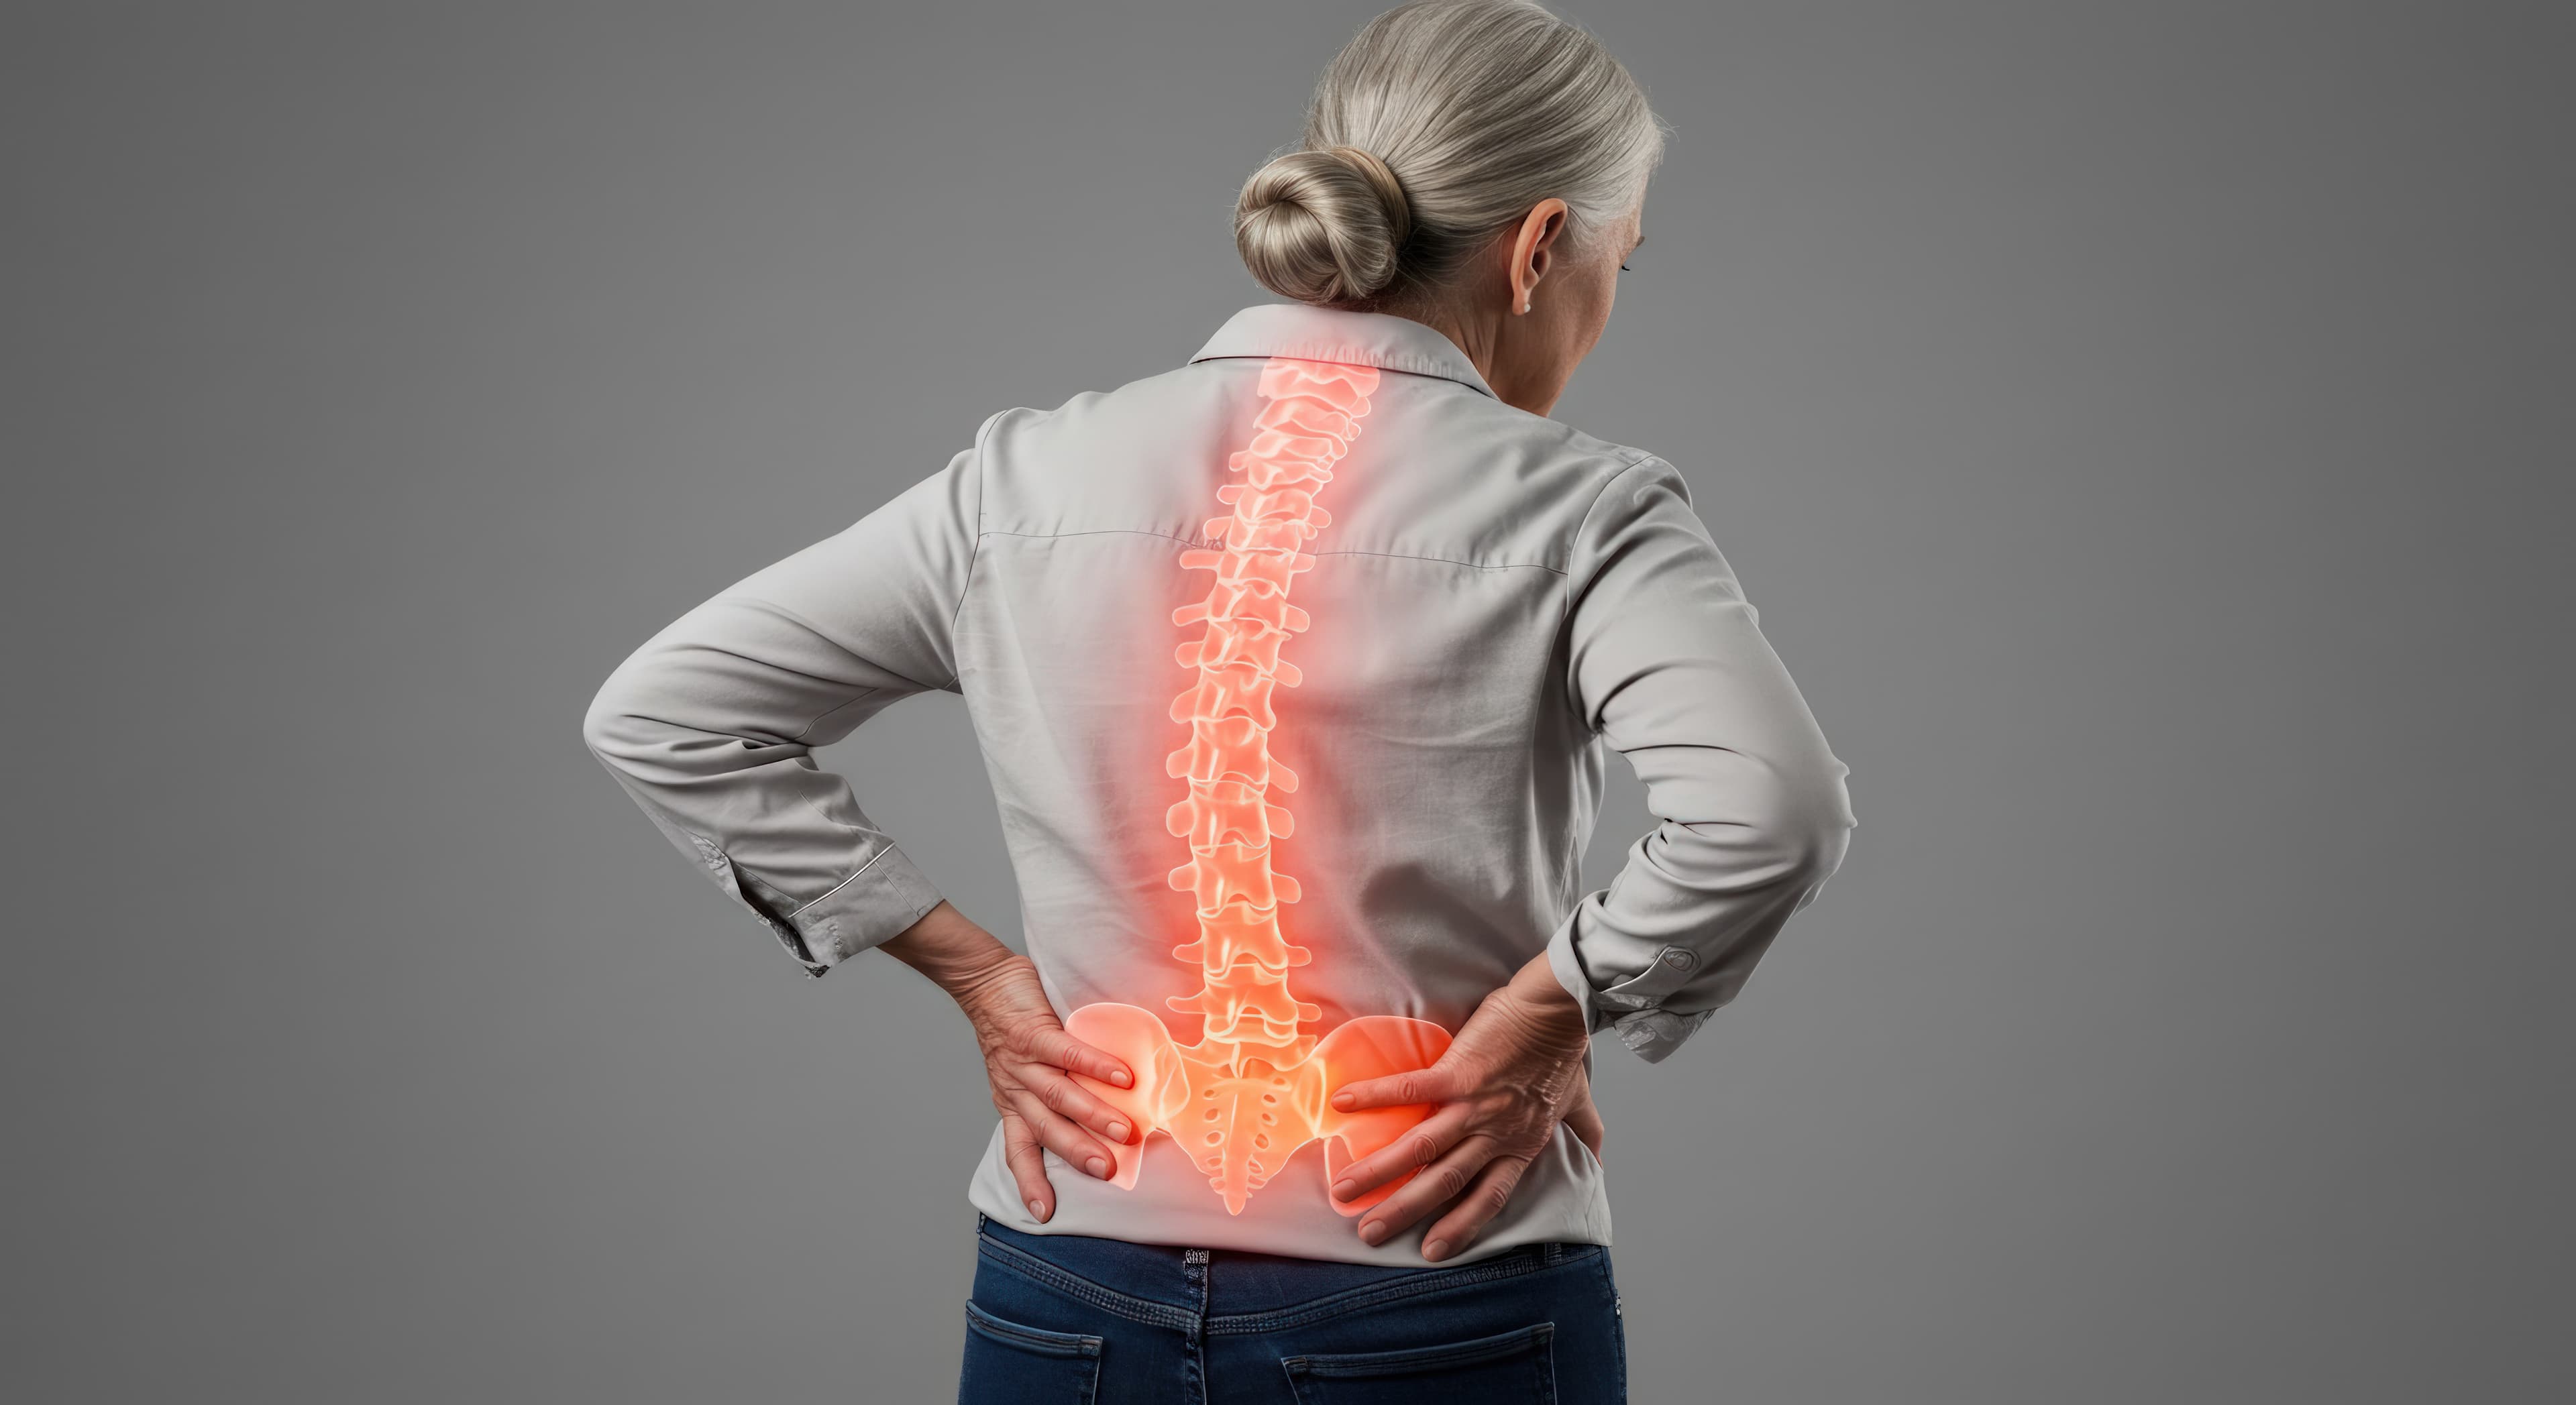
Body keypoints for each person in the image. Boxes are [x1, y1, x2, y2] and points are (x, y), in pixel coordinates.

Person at [582, 1, 1854, 1398]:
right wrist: (1557, 1006)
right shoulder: (1583, 507)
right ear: (1543, 248)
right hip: (1432, 1289)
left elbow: (666, 709)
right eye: (1624, 257)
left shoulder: (1022, 480)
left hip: (1068, 1278)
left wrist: (985, 980)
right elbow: (1772, 809)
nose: (1608, 303)